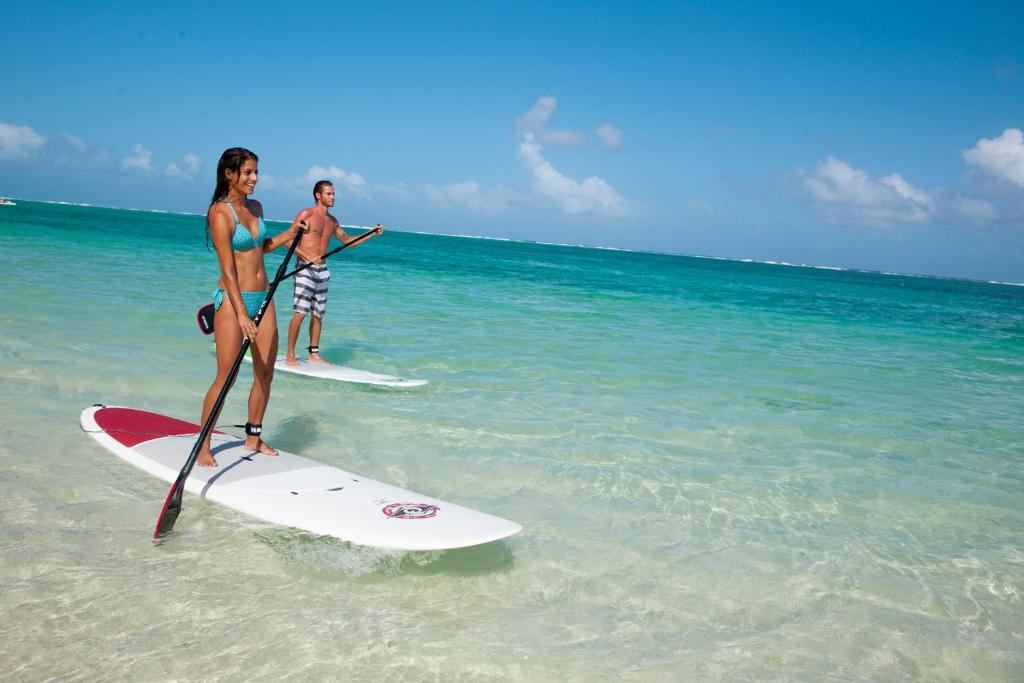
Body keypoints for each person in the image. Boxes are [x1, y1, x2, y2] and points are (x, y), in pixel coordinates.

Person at [196, 148, 314, 467]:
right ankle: (203, 443)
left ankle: (253, 435)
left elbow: (261, 248)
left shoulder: (256, 206)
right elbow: (228, 271)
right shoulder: (219, 213)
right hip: (235, 301)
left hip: (264, 297)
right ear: (229, 174)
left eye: (256, 172)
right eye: (248, 172)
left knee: (265, 372)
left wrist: (292, 232)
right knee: (226, 377)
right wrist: (241, 314)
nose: (254, 178)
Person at [285, 179, 383, 365]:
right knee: (300, 313)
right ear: (318, 195)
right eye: (329, 193)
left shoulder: (332, 221)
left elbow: (348, 241)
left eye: (333, 194)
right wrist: (306, 256)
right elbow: (288, 240)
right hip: (304, 269)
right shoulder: (307, 214)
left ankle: (313, 353)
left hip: (322, 271)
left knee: (318, 314)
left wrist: (371, 233)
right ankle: (290, 354)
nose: (333, 197)